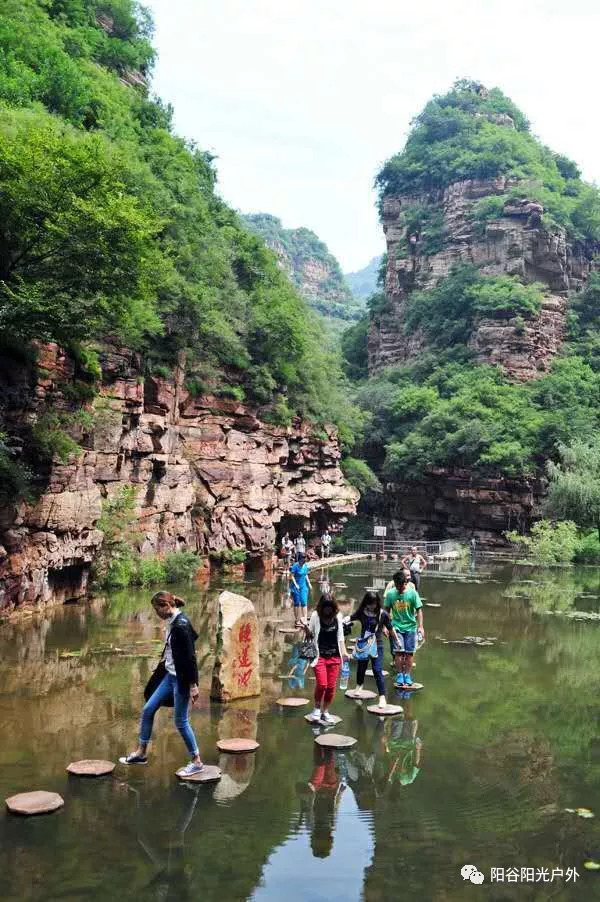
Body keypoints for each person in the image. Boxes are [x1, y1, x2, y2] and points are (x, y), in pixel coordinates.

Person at [119, 591, 204, 778]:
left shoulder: (181, 625)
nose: (156, 613)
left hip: (181, 680)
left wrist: (193, 685)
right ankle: (141, 753)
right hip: (169, 676)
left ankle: (197, 761)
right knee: (148, 709)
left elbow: (190, 656)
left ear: (166, 606)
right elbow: (193, 638)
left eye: (157, 609)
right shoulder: (174, 622)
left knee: (181, 722)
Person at [303, 593, 349, 724]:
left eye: (330, 607)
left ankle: (325, 711)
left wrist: (344, 652)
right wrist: (306, 630)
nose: (328, 610)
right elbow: (310, 636)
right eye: (325, 607)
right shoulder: (315, 616)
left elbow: (340, 637)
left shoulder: (338, 617)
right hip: (320, 656)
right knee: (322, 684)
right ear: (321, 607)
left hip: (334, 656)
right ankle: (316, 708)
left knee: (331, 687)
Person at [348, 591, 397, 707]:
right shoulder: (362, 612)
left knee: (377, 669)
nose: (372, 606)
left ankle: (382, 697)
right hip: (364, 644)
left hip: (377, 644)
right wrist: (342, 621)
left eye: (374, 604)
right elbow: (351, 618)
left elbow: (390, 628)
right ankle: (359, 686)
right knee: (361, 667)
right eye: (369, 604)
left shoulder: (382, 614)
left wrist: (397, 642)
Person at [384, 569, 424, 689]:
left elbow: (419, 610)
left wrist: (421, 626)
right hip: (396, 627)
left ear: (405, 583)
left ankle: (407, 674)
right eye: (397, 586)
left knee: (409, 653)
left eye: (401, 586)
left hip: (411, 627)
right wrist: (385, 626)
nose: (399, 588)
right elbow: (386, 611)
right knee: (399, 652)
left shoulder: (412, 593)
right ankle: (400, 674)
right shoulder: (391, 594)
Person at [290, 552, 311, 625]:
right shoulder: (295, 566)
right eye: (303, 559)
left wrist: (309, 583)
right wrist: (296, 585)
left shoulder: (305, 566)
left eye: (305, 559)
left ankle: (304, 618)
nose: (304, 560)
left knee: (304, 603)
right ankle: (297, 620)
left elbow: (305, 575)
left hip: (303, 586)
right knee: (296, 603)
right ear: (300, 559)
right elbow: (291, 576)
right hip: (296, 587)